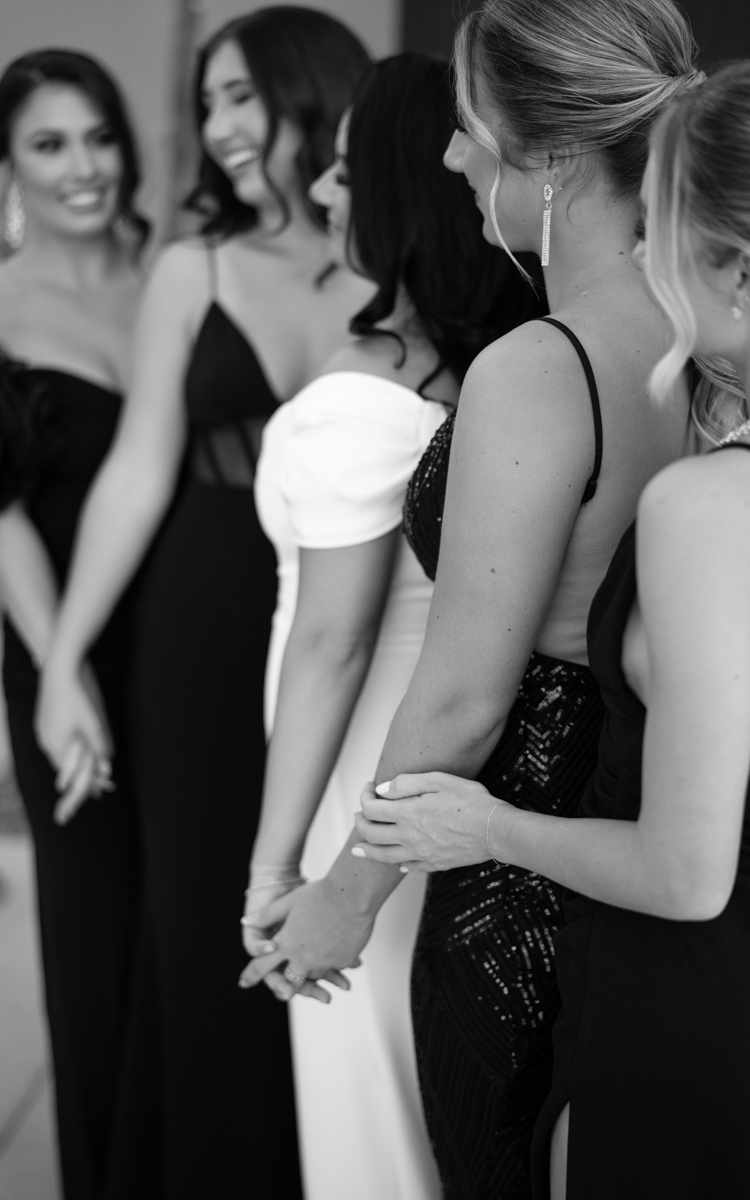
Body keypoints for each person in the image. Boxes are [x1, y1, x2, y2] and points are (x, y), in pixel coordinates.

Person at [240, 2, 705, 1196]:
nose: (448, 159)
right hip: (639, 824)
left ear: (545, 155)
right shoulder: (710, 327)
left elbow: (460, 699)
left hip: (515, 876)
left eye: (463, 128)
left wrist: (344, 892)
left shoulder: (540, 367)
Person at [353, 56, 750, 1200]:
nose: (640, 271)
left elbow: (683, 871)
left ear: (742, 274)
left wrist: (482, 825)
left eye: (656, 237)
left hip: (689, 1009)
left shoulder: (710, 505)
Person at [36, 9, 372, 1197]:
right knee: (204, 910)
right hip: (199, 617)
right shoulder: (194, 266)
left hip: (353, 622)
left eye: (243, 99)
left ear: (311, 92)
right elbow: (136, 470)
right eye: (208, 105)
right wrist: (69, 661)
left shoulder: (396, 253)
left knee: (327, 904)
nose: (221, 130)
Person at [239, 53, 545, 1200]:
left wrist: (279, 868)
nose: (319, 194)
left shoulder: (355, 396)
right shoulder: (497, 370)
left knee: (367, 1107)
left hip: (359, 779)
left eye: (338, 169)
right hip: (448, 776)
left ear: (395, 188)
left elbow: (329, 648)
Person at [0, 49, 147, 1200]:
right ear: (9, 164)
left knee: (191, 926)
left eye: (97, 135)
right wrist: (61, 672)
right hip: (65, 652)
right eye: (51, 144)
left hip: (201, 642)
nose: (84, 166)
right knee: (97, 934)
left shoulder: (179, 269)